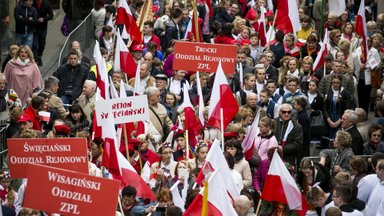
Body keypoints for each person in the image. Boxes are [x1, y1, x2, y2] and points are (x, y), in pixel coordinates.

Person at [274, 103, 303, 169]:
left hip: (289, 158)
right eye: (284, 112)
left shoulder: (296, 126)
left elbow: (298, 144)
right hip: (274, 156)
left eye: (289, 112)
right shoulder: (274, 123)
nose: (286, 114)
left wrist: (283, 149)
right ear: (279, 112)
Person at [32, 0, 53, 66]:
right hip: (34, 27)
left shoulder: (47, 4)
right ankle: (35, 59)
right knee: (34, 44)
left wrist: (44, 19)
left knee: (42, 44)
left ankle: (39, 56)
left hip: (43, 27)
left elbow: (51, 15)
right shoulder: (32, 3)